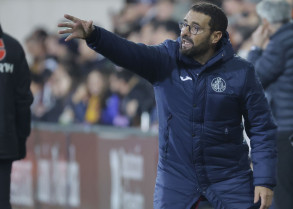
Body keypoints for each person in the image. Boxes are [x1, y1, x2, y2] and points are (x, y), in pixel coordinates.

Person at [58, 2, 277, 209]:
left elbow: (261, 127)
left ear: (216, 36)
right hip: (176, 179)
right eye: (184, 25)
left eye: (195, 28)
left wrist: (264, 179)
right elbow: (128, 52)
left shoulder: (241, 72)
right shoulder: (165, 59)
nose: (185, 32)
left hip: (229, 177)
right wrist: (95, 36)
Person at [247, 0, 293, 209]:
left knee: (283, 197)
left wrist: (255, 47)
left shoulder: (281, 43)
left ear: (266, 22)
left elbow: (252, 79)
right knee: (289, 192)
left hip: (286, 130)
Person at [0, 24, 33, 209]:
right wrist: (21, 139)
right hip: (5, 139)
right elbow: (23, 99)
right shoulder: (13, 47)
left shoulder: (12, 48)